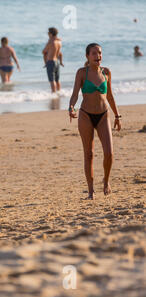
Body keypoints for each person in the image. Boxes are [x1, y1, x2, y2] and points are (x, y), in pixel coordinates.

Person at [68, 43, 121, 199]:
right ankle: (91, 191)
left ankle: (106, 180)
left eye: (100, 53)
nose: (98, 56)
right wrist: (71, 107)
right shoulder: (81, 73)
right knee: (89, 154)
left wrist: (117, 116)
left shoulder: (106, 72)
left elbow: (110, 96)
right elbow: (75, 94)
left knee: (109, 153)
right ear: (87, 56)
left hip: (104, 115)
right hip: (85, 115)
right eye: (94, 53)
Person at [42, 27, 64, 92]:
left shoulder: (51, 42)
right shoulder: (59, 42)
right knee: (57, 80)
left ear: (51, 34)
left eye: (48, 33)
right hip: (57, 61)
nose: (48, 34)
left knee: (52, 80)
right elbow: (60, 53)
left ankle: (54, 94)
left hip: (51, 61)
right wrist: (61, 62)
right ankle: (59, 93)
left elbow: (43, 51)